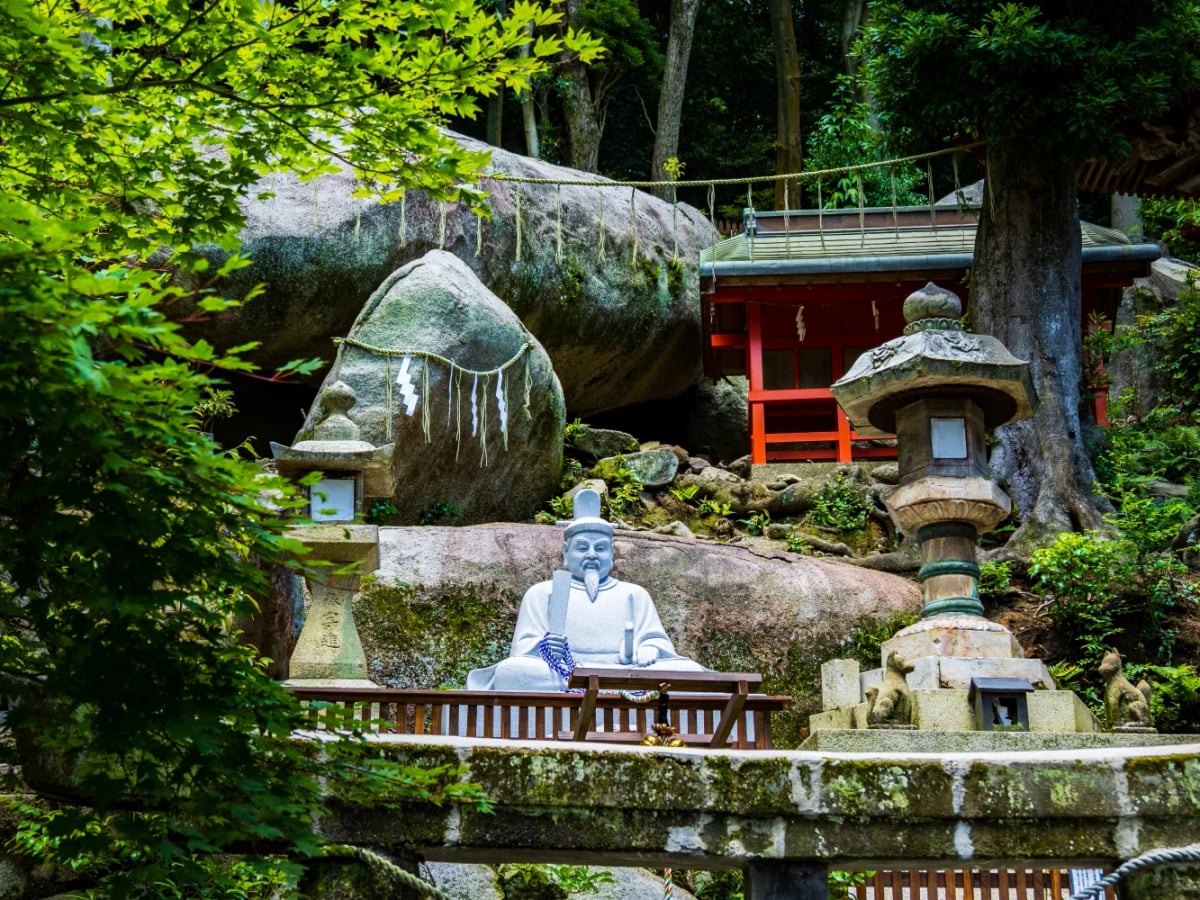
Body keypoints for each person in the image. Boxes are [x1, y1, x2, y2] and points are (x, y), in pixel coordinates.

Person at [466, 488, 704, 691]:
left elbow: (657, 642)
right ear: (566, 552)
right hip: (562, 673)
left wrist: (649, 649)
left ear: (611, 554)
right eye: (582, 548)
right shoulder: (543, 593)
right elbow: (521, 649)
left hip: (625, 674)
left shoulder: (634, 594)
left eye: (600, 548)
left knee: (689, 672)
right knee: (513, 671)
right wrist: (545, 647)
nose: (591, 555)